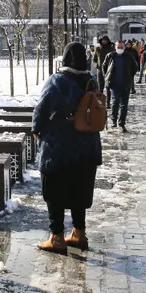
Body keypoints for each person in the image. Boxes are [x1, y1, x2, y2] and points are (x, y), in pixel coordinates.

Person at [33, 42, 103, 253]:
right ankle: (79, 233)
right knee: (79, 191)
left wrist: (37, 129)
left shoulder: (57, 81)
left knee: (54, 193)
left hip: (59, 149)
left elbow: (42, 109)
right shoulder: (92, 81)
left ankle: (56, 237)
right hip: (87, 147)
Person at [103, 39, 138, 131]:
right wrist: (107, 77)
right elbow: (104, 67)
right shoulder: (110, 56)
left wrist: (129, 77)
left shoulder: (128, 57)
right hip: (114, 83)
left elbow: (135, 67)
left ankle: (122, 122)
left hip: (125, 83)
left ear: (124, 47)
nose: (120, 49)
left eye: (121, 47)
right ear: (115, 47)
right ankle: (114, 120)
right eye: (118, 47)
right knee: (115, 101)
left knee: (124, 104)